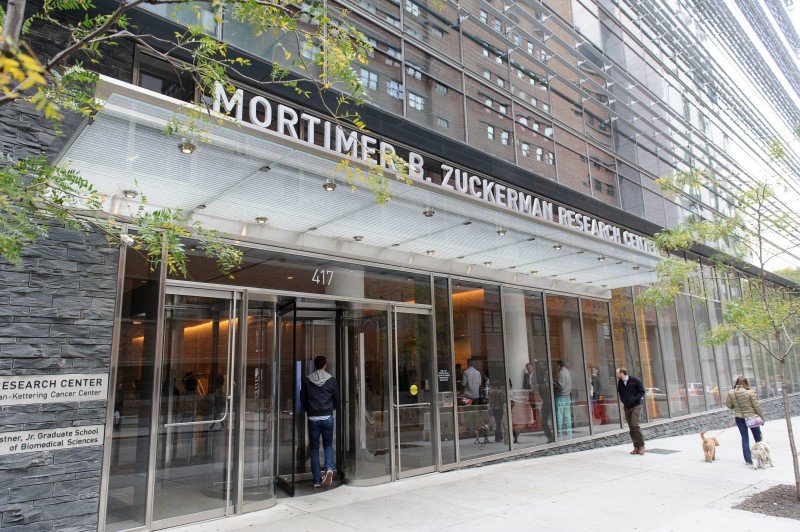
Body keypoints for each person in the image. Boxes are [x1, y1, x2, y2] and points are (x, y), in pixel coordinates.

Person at [301, 355, 339, 488]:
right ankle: (329, 469)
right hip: (327, 417)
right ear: (325, 365)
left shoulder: (307, 380)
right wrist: (331, 409)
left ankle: (317, 480)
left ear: (315, 365)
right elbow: (336, 399)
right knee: (328, 445)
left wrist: (309, 410)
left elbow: (303, 399)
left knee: (314, 448)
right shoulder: (332, 380)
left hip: (313, 418)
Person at [726, 376, 766, 466]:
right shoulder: (750, 392)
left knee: (745, 438)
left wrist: (736, 406)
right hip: (751, 418)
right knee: (758, 438)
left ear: (736, 383)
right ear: (746, 383)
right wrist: (762, 417)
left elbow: (729, 405)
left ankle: (748, 460)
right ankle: (762, 457)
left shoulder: (731, 393)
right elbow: (756, 407)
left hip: (739, 418)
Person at [616, 368, 646, 455]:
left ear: (622, 373)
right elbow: (620, 393)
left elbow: (642, 391)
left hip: (636, 406)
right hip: (627, 407)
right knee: (631, 427)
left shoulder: (634, 380)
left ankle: (642, 446)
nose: (617, 375)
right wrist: (623, 400)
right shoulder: (620, 382)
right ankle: (636, 447)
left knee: (635, 425)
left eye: (617, 373)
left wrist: (634, 399)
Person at [554, 360, 572, 438]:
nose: (556, 367)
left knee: (559, 414)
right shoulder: (567, 371)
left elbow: (560, 386)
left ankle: (559, 431)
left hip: (561, 396)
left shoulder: (561, 373)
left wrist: (554, 383)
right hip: (567, 396)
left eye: (556, 365)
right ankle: (569, 431)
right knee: (567, 414)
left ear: (559, 365)